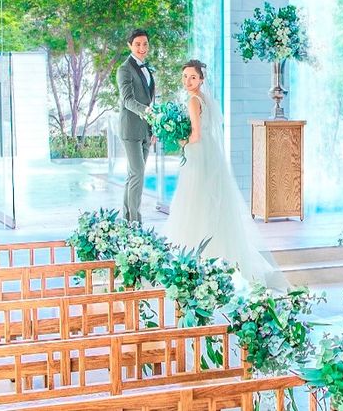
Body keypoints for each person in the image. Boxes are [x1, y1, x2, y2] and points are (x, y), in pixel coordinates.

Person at [163, 59, 287, 288]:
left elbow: (196, 135)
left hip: (198, 155)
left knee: (194, 202)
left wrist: (180, 141)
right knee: (210, 202)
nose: (187, 81)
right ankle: (217, 254)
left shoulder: (193, 100)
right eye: (185, 77)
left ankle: (197, 255)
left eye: (192, 77)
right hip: (210, 153)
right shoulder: (205, 99)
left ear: (201, 79)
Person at [116, 28, 155, 223]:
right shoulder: (124, 69)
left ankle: (126, 220)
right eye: (138, 44)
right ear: (130, 46)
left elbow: (149, 99)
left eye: (145, 44)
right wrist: (147, 112)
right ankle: (135, 222)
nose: (142, 48)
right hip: (130, 129)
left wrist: (153, 128)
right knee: (137, 173)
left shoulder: (146, 68)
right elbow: (128, 100)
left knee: (134, 174)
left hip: (145, 130)